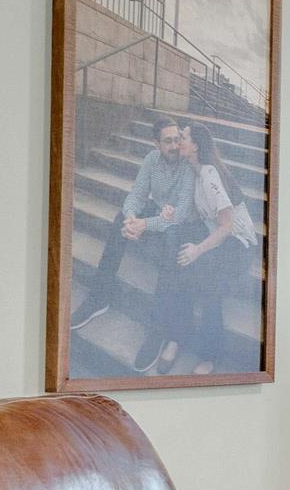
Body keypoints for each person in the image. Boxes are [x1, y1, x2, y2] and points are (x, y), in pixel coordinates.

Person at [69, 116, 198, 336]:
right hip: (158, 214)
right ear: (156, 144)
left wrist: (143, 225)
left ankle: (158, 328)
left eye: (177, 139)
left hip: (181, 223)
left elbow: (179, 215)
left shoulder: (188, 165)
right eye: (168, 141)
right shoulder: (152, 159)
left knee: (171, 240)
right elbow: (137, 195)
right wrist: (131, 218)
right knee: (121, 219)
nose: (175, 146)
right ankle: (99, 297)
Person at [145, 127, 257, 375]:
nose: (177, 143)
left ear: (195, 146)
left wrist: (198, 250)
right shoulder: (193, 174)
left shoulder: (209, 174)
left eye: (182, 138)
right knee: (180, 262)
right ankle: (176, 337)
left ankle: (210, 354)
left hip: (239, 243)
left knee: (206, 275)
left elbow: (227, 227)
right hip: (215, 235)